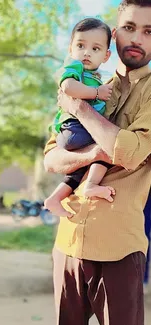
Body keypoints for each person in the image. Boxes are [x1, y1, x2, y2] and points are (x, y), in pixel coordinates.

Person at [44, 0, 151, 324]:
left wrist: (80, 110)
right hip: (69, 242)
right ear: (115, 35)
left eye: (149, 31)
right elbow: (52, 156)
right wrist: (94, 153)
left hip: (118, 248)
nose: (138, 39)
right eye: (130, 28)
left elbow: (130, 152)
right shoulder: (88, 79)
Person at [45, 18, 115, 218]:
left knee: (78, 169)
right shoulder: (74, 67)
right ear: (70, 48)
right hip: (74, 128)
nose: (86, 52)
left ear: (106, 56)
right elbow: (67, 87)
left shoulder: (97, 76)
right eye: (81, 45)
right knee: (109, 146)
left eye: (95, 49)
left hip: (78, 129)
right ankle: (92, 184)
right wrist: (96, 93)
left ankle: (55, 198)